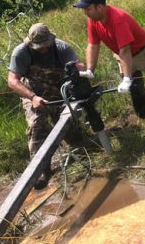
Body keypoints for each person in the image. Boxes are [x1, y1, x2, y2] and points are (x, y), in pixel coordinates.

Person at [7, 23, 86, 190]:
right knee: (37, 126)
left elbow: (78, 65)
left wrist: (80, 70)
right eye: (38, 46)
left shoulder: (61, 47)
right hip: (33, 94)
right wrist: (33, 97)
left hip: (60, 93)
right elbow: (12, 81)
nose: (42, 49)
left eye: (45, 45)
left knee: (70, 125)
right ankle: (42, 170)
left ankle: (80, 149)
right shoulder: (21, 52)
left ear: (51, 40)